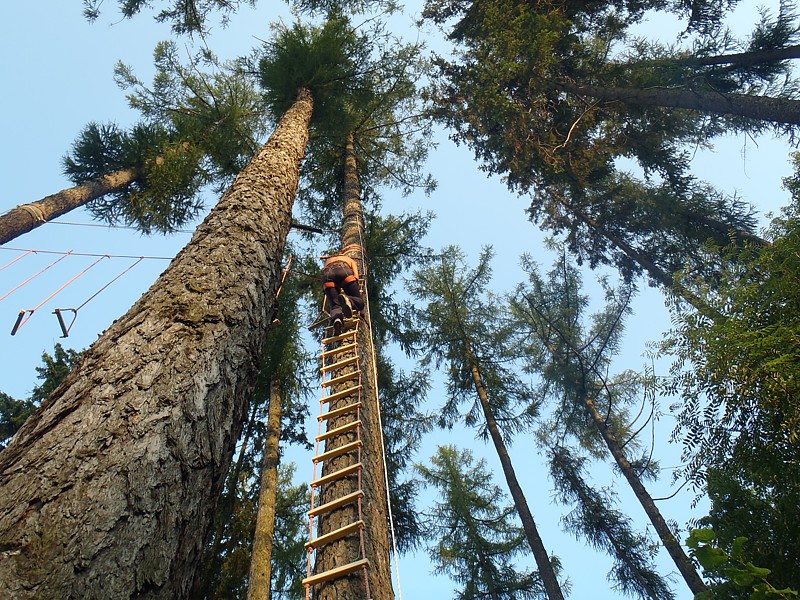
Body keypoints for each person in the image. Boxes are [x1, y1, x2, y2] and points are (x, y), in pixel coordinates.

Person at [321, 250, 365, 333]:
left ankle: (337, 319)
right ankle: (348, 300)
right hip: (343, 270)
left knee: (335, 306)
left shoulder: (328, 261)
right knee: (360, 302)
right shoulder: (348, 258)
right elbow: (356, 276)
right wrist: (355, 283)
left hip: (327, 274)